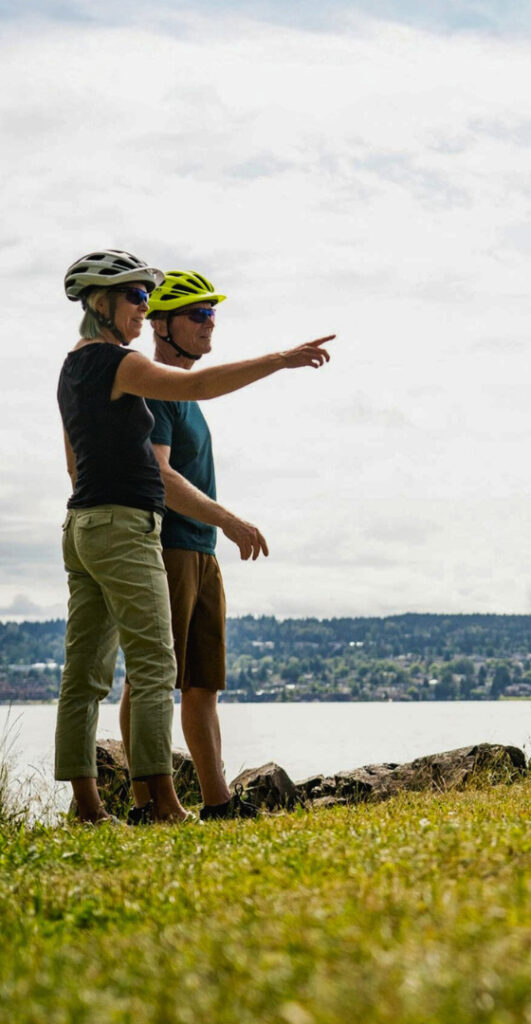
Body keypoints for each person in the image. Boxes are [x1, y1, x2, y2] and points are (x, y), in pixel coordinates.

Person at [57, 249, 332, 824]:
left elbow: (74, 463)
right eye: (137, 297)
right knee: (155, 668)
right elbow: (200, 386)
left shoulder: (71, 366)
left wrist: (95, 510)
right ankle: (160, 804)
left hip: (84, 521)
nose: (144, 307)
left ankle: (89, 808)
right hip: (126, 525)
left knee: (84, 677)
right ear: (102, 303)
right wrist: (281, 359)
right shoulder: (120, 363)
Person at [119, 271, 265, 820]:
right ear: (161, 325)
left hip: (201, 551)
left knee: (202, 684)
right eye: (198, 314)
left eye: (212, 314)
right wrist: (229, 520)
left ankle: (218, 801)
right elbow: (161, 475)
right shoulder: (157, 390)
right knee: (150, 678)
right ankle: (149, 804)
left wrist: (217, 530)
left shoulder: (188, 398)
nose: (210, 324)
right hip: (171, 547)